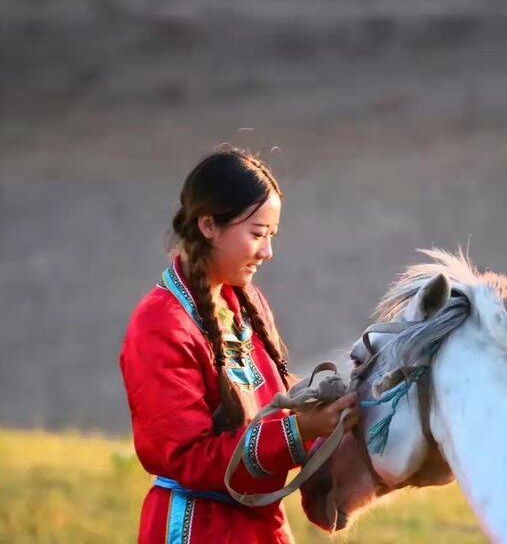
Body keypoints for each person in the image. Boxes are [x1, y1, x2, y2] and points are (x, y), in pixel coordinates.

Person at [119, 145, 359, 543]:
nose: (268, 251)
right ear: (208, 225)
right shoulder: (159, 324)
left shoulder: (248, 304)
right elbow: (188, 458)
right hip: (198, 528)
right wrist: (298, 432)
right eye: (257, 235)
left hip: (263, 527)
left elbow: (274, 409)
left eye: (272, 235)